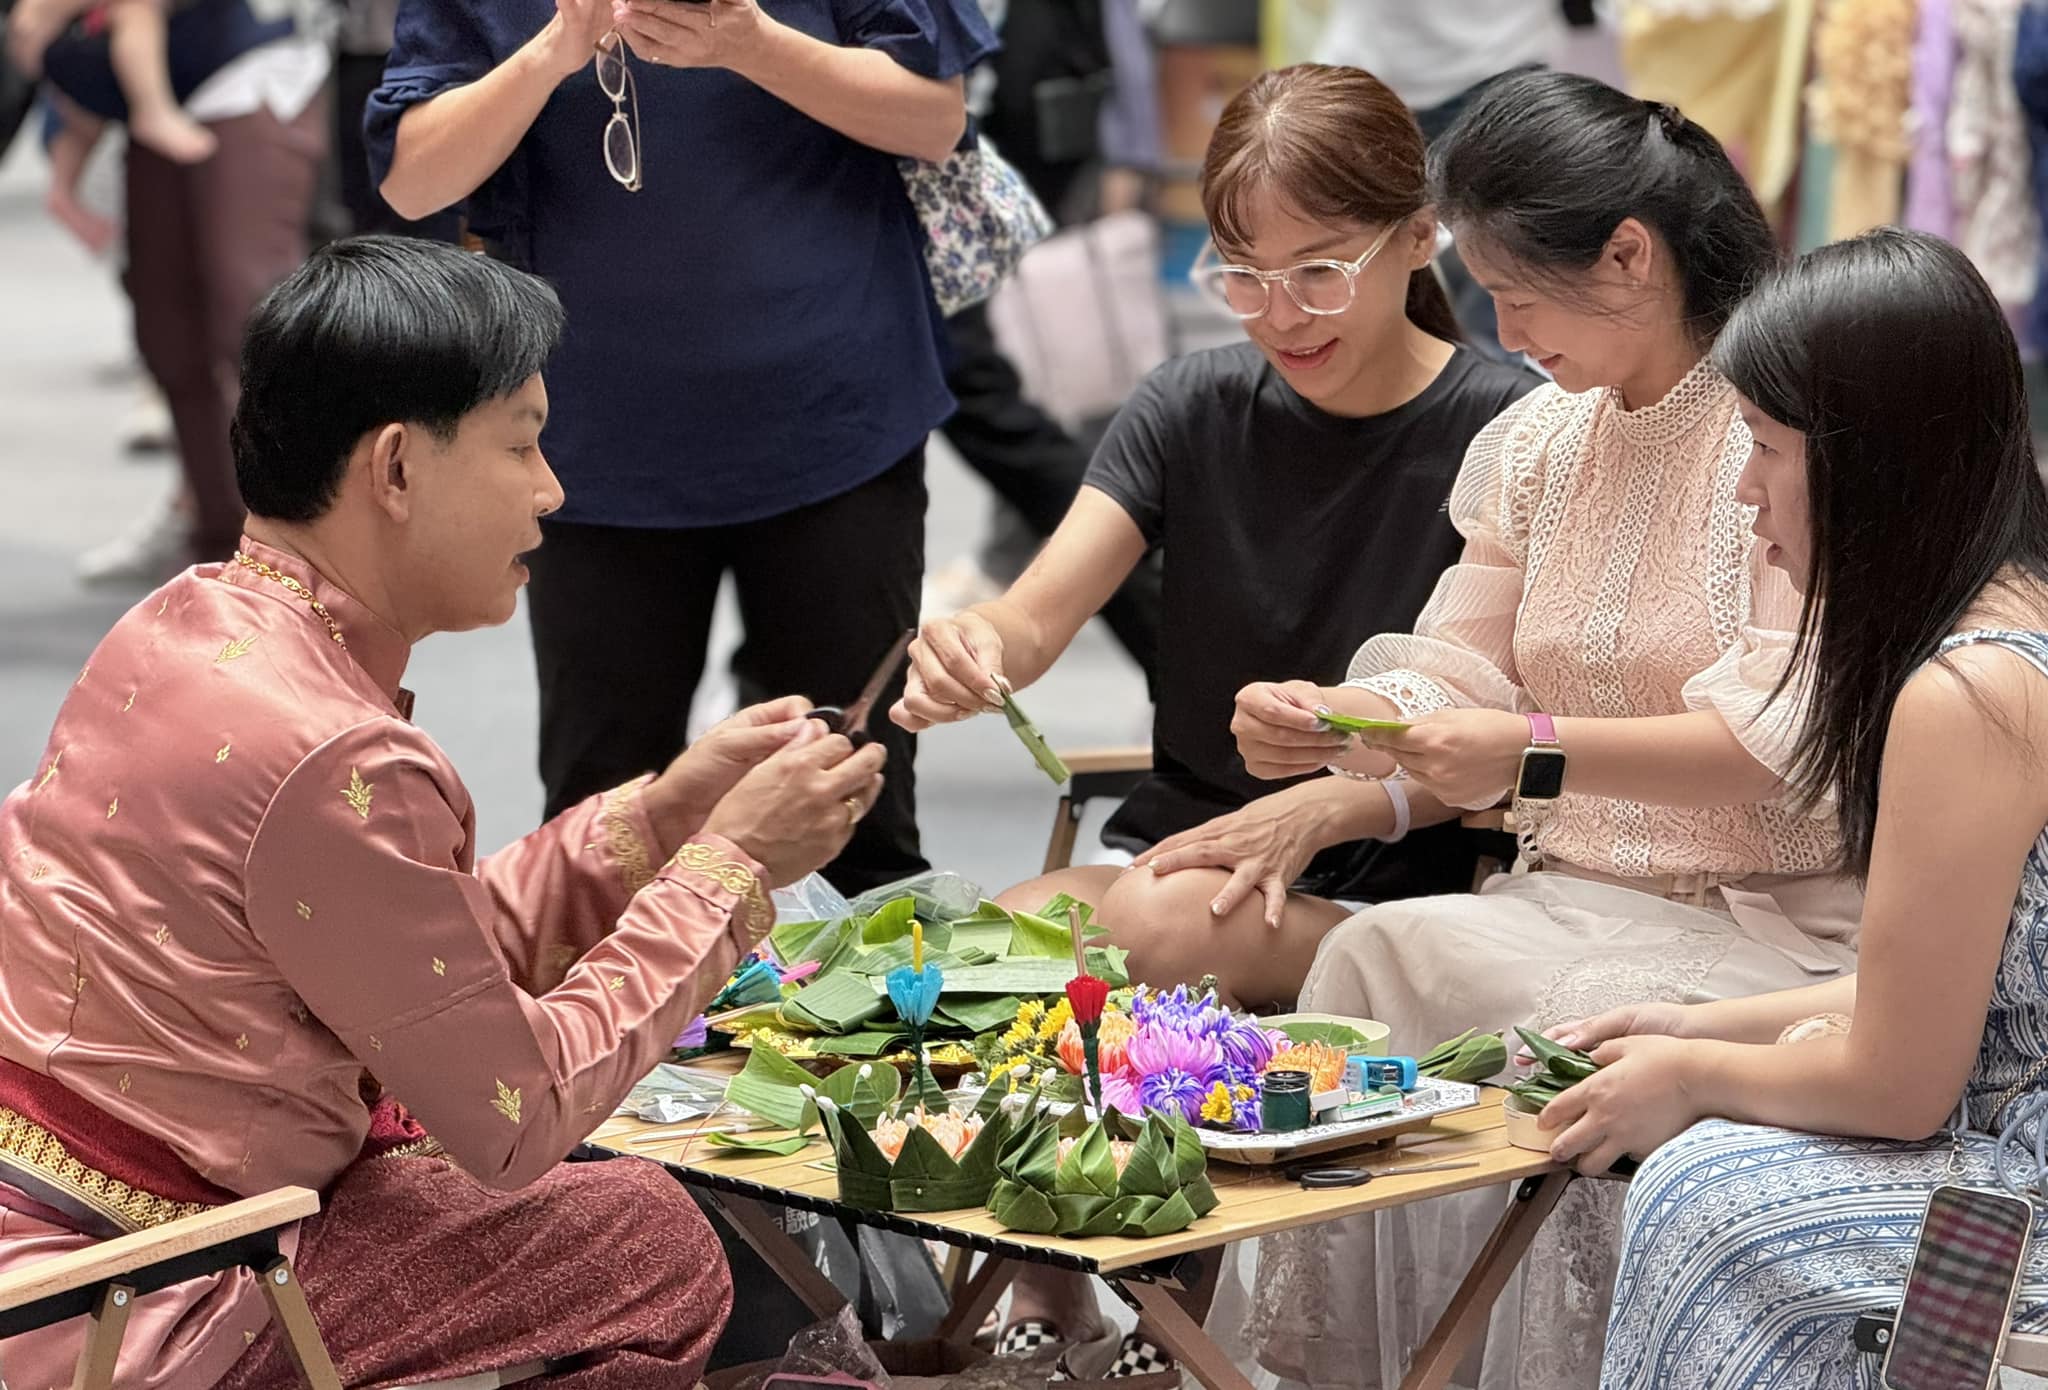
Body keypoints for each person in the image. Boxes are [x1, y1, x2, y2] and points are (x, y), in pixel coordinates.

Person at [0, 237, 887, 1389]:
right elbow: (515, 1114)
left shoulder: (178, 623)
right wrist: (732, 869)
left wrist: (664, 815)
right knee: (643, 1241)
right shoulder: (334, 748)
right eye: (521, 443)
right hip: (134, 1289)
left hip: (47, 1229)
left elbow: (420, 963)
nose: (552, 487)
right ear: (397, 469)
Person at [897, 64, 1538, 1375]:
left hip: (1391, 892)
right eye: (1239, 272)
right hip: (1181, 857)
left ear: (1420, 239)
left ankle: (1138, 1294)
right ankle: (1069, 1284)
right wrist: (973, 649)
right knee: (962, 955)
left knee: (1134, 926)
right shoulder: (1188, 407)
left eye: (1318, 271)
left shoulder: (1508, 431)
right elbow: (1031, 617)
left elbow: (1520, 747)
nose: (1277, 314)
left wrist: (1354, 752)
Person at [1231, 72, 1860, 1390]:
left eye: (1518, 292)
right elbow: (1460, 657)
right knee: (1374, 962)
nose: (1499, 328)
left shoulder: (1786, 428)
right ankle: (1357, 1370)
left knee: (1569, 1023)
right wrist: (1346, 718)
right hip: (1568, 885)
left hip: (1771, 918)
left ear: (1629, 255)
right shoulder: (1537, 441)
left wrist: (1531, 749)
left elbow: (1779, 728)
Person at [1558, 230, 2048, 1387]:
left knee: (1704, 1195)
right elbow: (1962, 983)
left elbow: (1897, 1082)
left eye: (1762, 447)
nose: (1744, 491)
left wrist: (1690, 1078)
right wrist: (1693, 1028)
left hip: (2022, 1194)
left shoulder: (1967, 691)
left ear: (1868, 463)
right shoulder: (2014, 619)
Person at [369, 0, 995, 896]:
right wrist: (553, 51)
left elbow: (934, 116)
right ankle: (601, 1039)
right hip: (590, 440)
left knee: (851, 808)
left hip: (833, 409)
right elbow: (412, 177)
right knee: (604, 819)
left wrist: (749, 43)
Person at [10, 0, 334, 574]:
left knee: (251, 321)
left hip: (250, 64)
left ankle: (300, 548)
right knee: (168, 331)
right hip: (150, 84)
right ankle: (217, 539)